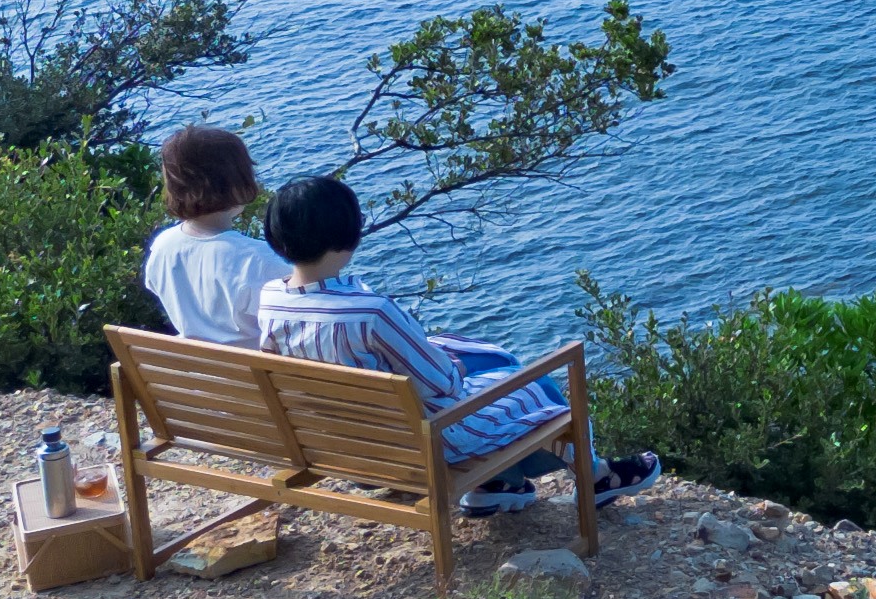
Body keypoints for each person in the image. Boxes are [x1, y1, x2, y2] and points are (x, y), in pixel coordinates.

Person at [254, 174, 663, 517]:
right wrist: (453, 364)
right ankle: (593, 478)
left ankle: (499, 484)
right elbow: (444, 385)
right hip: (424, 446)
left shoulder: (271, 299)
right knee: (538, 388)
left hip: (342, 443)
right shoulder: (370, 311)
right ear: (348, 235)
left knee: (490, 362)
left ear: (277, 238)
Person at [142, 126, 285, 348]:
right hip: (253, 379)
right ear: (239, 182)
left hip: (196, 376)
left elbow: (153, 284)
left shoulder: (163, 247)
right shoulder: (260, 260)